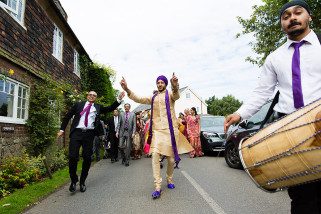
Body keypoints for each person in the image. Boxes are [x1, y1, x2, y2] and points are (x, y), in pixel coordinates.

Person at [224, 1, 321, 213]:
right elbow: (262, 92)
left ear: (309, 17)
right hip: (290, 130)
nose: (292, 18)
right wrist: (239, 114)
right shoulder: (274, 58)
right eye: (286, 16)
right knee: (302, 198)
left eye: (298, 13)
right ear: (281, 24)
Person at [120, 73, 193, 199]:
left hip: (171, 130)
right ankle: (158, 186)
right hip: (157, 131)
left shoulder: (170, 95)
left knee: (170, 160)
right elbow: (139, 98)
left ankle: (169, 179)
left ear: (165, 84)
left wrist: (175, 85)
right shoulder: (152, 97)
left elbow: (176, 95)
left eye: (162, 82)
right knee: (155, 155)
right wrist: (127, 89)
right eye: (158, 82)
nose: (160, 84)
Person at [57, 91, 124, 193]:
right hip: (76, 133)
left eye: (94, 95)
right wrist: (62, 129)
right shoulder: (78, 105)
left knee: (87, 158)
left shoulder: (97, 107)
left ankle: (82, 181)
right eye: (90, 95)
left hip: (89, 135)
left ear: (96, 98)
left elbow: (109, 108)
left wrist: (118, 99)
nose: (92, 96)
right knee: (72, 157)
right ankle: (74, 180)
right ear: (87, 96)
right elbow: (68, 116)